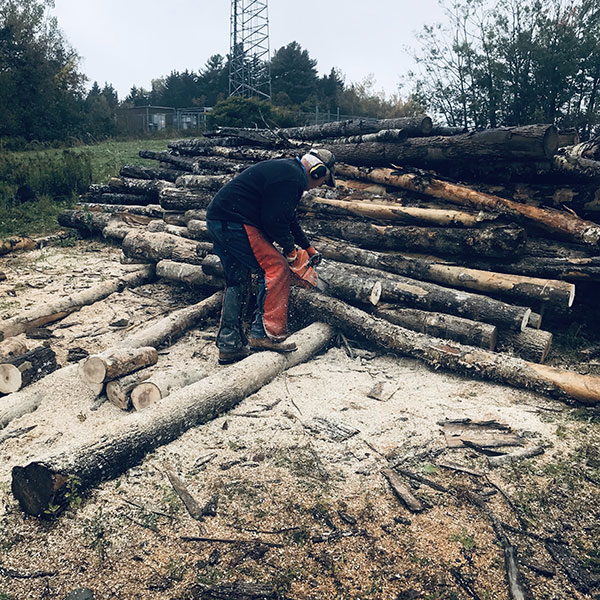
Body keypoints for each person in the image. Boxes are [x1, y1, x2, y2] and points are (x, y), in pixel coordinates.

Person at [206, 148, 336, 365]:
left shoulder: (288, 172)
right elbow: (274, 220)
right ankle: (265, 335)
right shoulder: (292, 178)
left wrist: (308, 248)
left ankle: (230, 346)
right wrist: (290, 251)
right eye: (323, 180)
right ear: (317, 171)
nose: (321, 185)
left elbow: (288, 217)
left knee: (237, 280)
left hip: (220, 220)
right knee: (276, 268)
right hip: (235, 223)